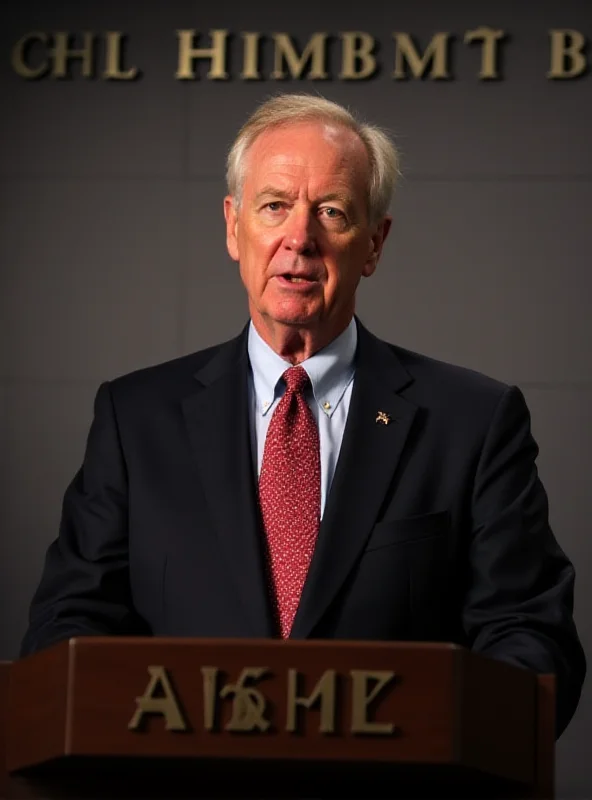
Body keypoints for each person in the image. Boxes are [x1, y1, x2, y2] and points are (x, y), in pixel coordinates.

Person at [21, 93, 585, 736]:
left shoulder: (475, 424)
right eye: (275, 206)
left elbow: (532, 641)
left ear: (374, 243)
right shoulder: (135, 419)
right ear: (234, 228)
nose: (300, 237)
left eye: (332, 212)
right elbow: (66, 631)